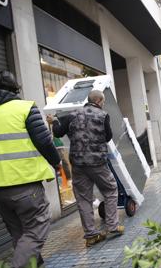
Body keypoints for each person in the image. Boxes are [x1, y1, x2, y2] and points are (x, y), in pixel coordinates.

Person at [0, 70, 61, 268]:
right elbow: (44, 141)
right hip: (24, 184)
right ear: (14, 89)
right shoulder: (24, 108)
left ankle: (34, 267)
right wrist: (56, 161)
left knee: (19, 233)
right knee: (36, 228)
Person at [48, 90, 124, 247]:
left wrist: (54, 121)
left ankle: (91, 235)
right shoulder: (103, 115)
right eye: (102, 101)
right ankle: (113, 226)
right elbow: (108, 137)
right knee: (110, 190)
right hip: (97, 163)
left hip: (78, 164)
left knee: (83, 198)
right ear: (99, 100)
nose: (103, 104)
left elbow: (57, 132)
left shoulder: (72, 114)